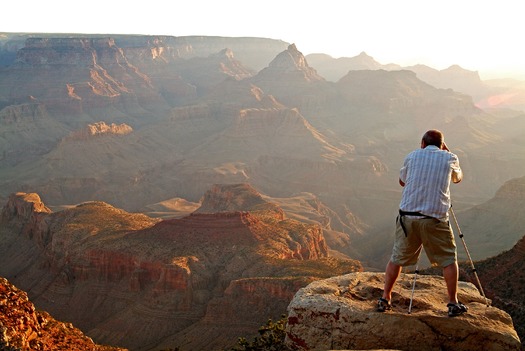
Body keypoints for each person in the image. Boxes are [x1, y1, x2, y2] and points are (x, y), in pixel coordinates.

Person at [378, 129, 468, 317]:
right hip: (434, 219)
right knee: (449, 260)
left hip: (407, 218)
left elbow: (402, 182)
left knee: (397, 257)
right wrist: (447, 153)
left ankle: (385, 297)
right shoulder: (450, 157)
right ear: (442, 145)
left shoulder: (412, 156)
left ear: (422, 143)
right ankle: (453, 302)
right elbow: (457, 179)